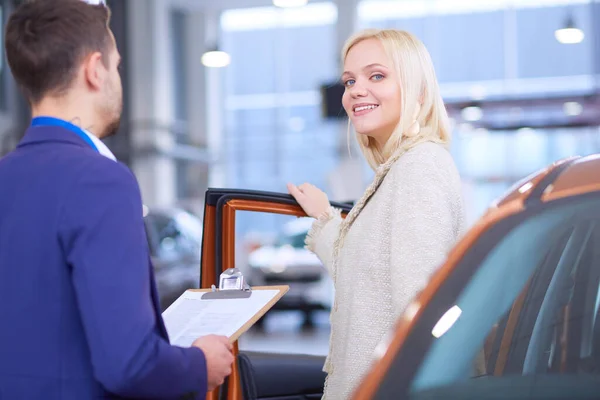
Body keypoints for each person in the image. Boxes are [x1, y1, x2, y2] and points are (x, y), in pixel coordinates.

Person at [0, 1, 233, 399]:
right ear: (95, 70)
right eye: (116, 65)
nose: (117, 78)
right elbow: (128, 366)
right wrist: (200, 363)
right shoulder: (99, 180)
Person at [287, 29, 466, 399]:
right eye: (350, 80)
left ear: (418, 90)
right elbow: (365, 280)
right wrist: (324, 217)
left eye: (377, 76)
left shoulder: (420, 167)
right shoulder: (397, 170)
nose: (355, 90)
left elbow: (419, 314)